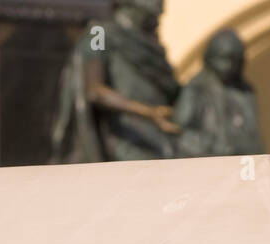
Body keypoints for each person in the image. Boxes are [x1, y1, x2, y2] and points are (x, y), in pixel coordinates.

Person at [50, 0, 180, 162]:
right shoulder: (99, 32)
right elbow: (94, 91)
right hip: (125, 136)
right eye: (155, 7)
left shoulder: (149, 41)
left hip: (158, 133)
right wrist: (149, 112)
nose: (159, 13)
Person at [174, 29, 263, 157]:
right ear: (211, 57)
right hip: (209, 162)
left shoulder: (246, 92)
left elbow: (253, 135)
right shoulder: (196, 88)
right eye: (223, 58)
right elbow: (179, 132)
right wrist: (212, 147)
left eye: (234, 61)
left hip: (244, 164)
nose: (228, 66)